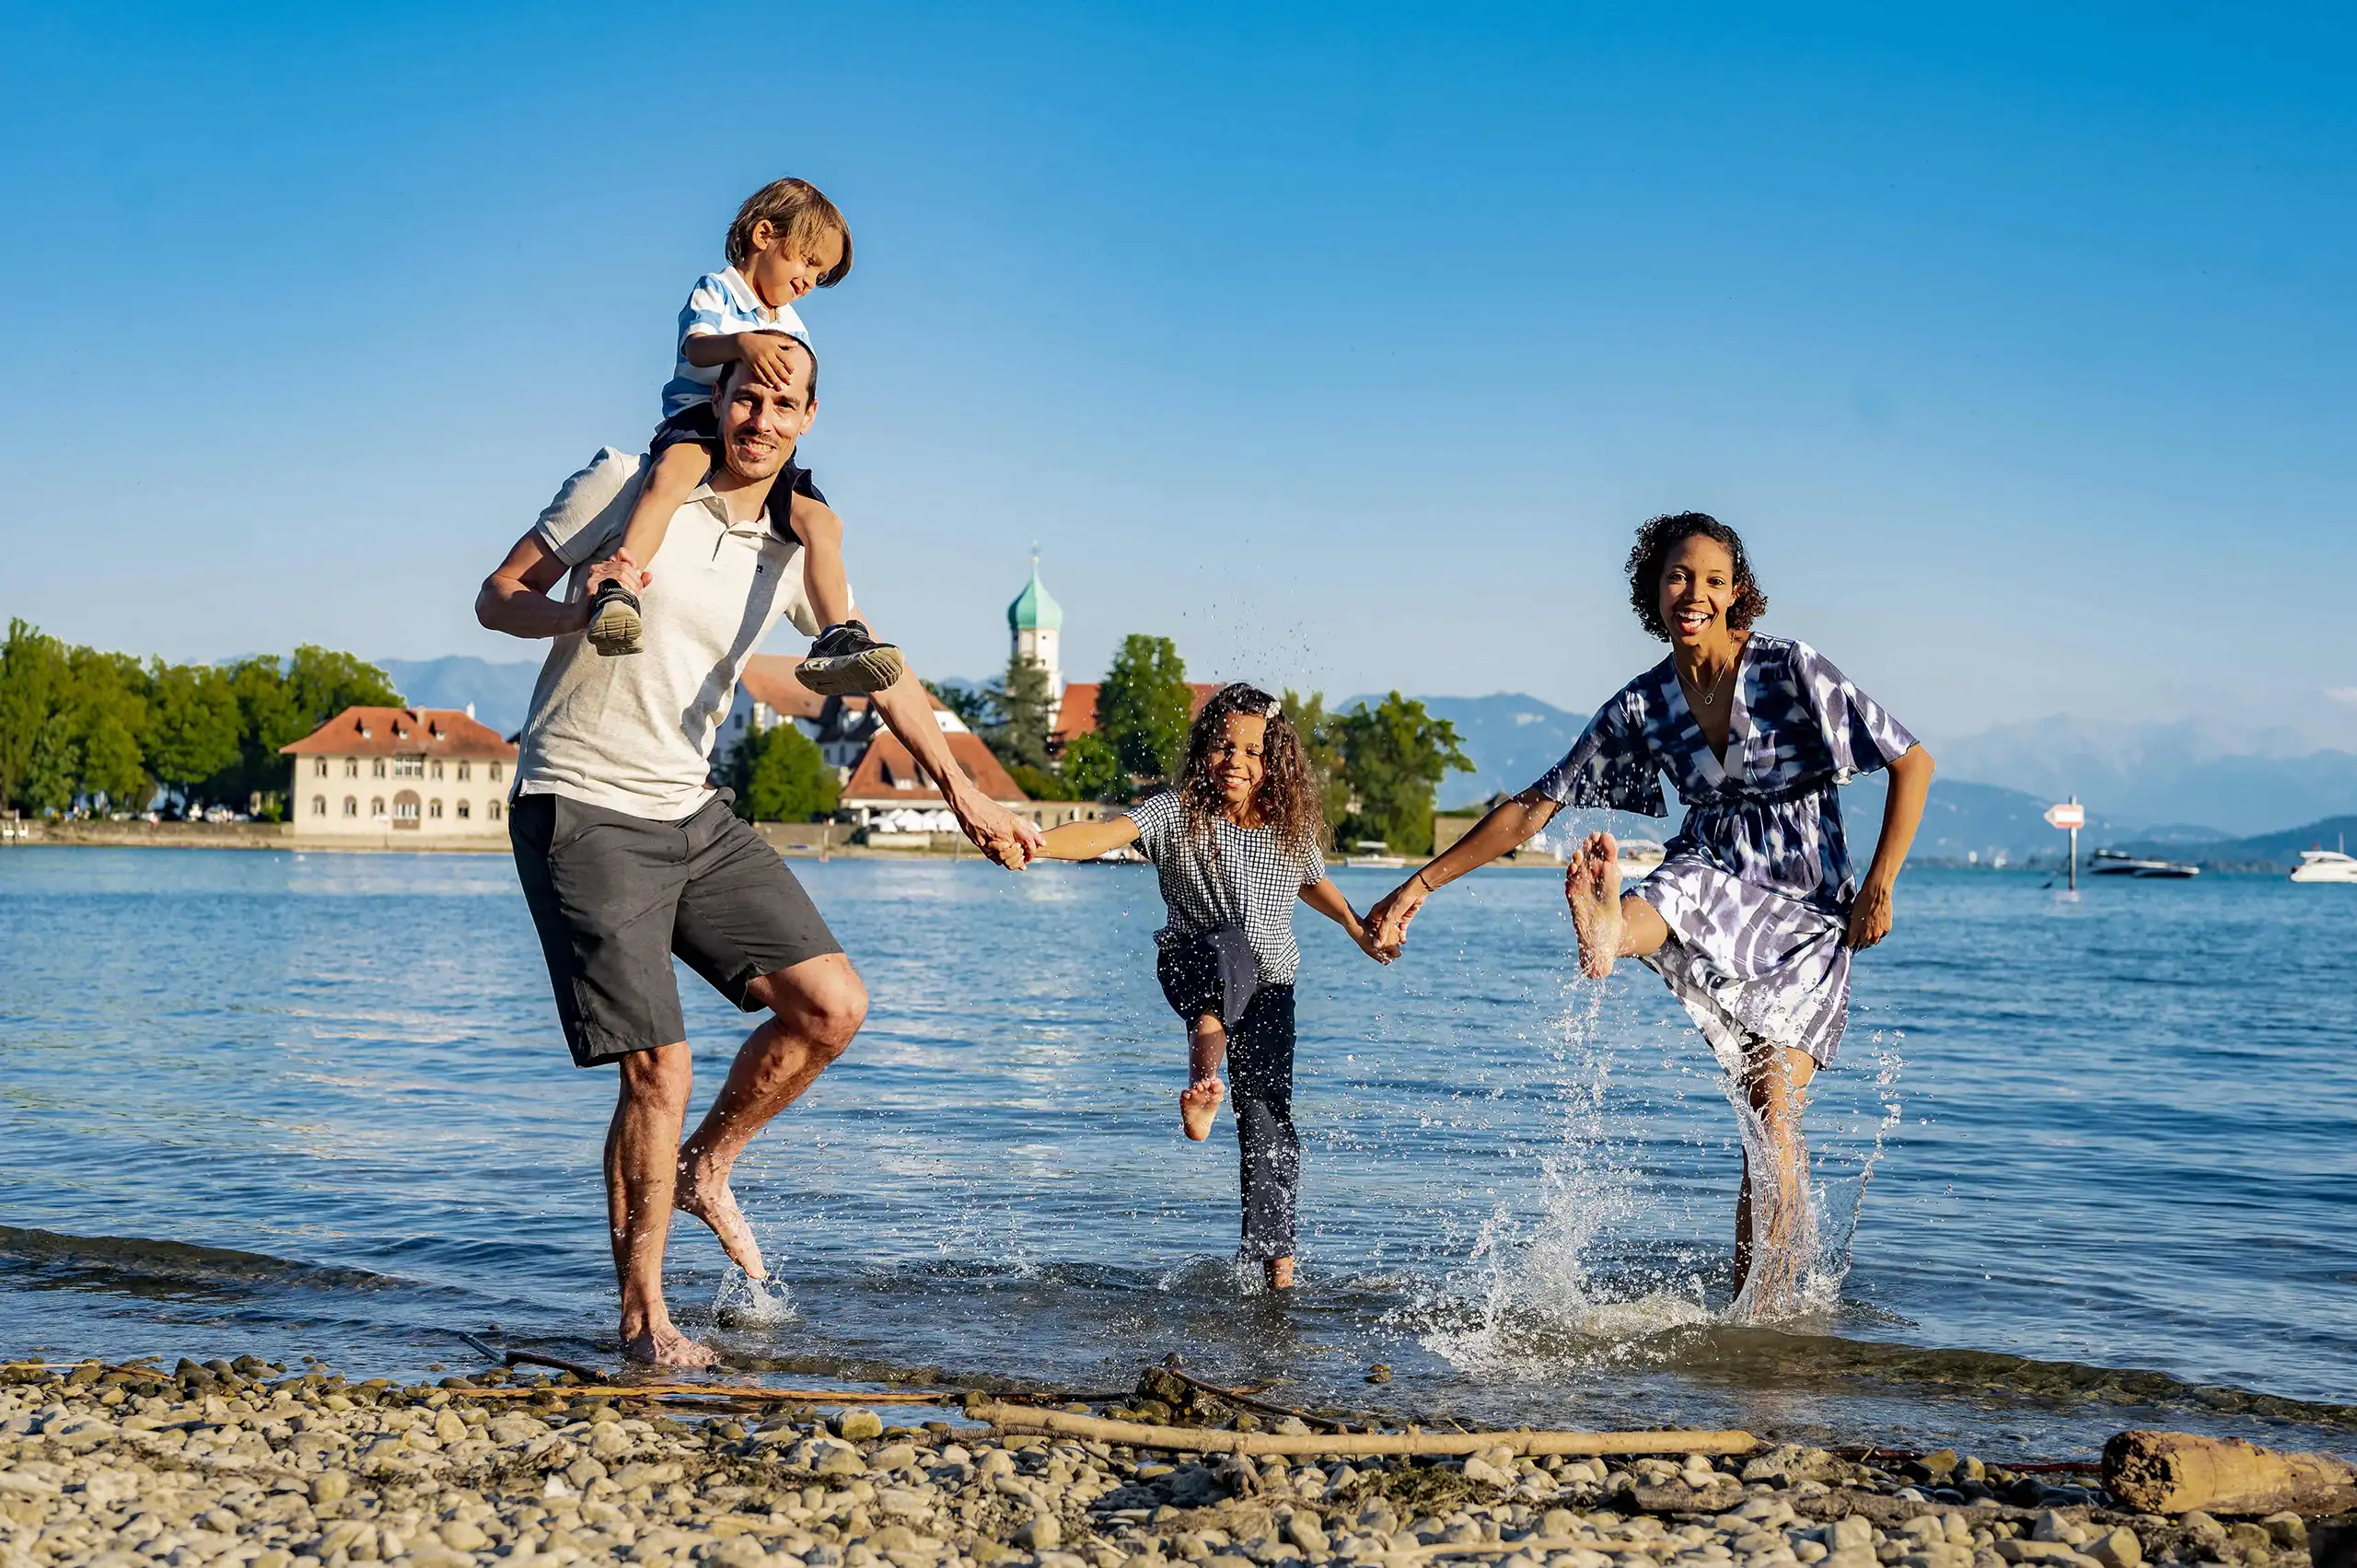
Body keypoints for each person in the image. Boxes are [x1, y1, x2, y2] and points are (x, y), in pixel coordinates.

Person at [476, 343, 1039, 1365]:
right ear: (719, 400)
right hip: (582, 801)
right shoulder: (625, 479)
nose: (761, 418)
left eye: (784, 404)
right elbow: (496, 594)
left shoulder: (793, 540)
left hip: (689, 808)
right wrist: (582, 603)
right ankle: (644, 1316)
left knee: (832, 1004)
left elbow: (885, 674)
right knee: (660, 1067)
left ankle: (706, 1169)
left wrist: (968, 794)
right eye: (747, 397)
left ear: (808, 418)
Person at [1367, 512, 1933, 1309]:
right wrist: (1420, 885)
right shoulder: (1645, 704)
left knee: (1770, 1110)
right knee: (1682, 886)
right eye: (1677, 577)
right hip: (1710, 875)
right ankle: (1609, 929)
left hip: (1806, 912)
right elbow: (1536, 804)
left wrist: (1881, 882)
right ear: (1653, 590)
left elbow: (1912, 761)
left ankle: (1760, 1318)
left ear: (1737, 593)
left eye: (1711, 580)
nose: (1693, 594)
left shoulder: (1790, 668)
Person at [1033, 685, 1388, 1290]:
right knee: (1229, 951)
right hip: (1191, 962)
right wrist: (1037, 844)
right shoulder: (1176, 813)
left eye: (1252, 749)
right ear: (1204, 750)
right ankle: (1202, 1083)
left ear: (1273, 761)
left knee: (1269, 1125)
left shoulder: (1287, 828)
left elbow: (1311, 882)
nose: (1235, 758)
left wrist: (1357, 927)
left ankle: (1275, 1271)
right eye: (1224, 744)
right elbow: (1106, 832)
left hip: (1272, 990)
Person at [585, 176, 902, 699]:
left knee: (821, 522)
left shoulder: (794, 325)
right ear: (763, 236)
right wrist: (744, 346)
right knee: (671, 477)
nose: (809, 281)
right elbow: (697, 350)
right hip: (699, 423)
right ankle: (621, 581)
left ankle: (837, 636)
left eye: (819, 275)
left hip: (760, 446)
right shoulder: (718, 290)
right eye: (806, 262)